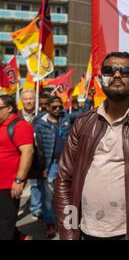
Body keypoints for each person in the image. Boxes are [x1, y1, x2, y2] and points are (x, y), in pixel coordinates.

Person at [55, 52, 129, 240]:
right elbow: (64, 180)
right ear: (100, 78)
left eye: (125, 71)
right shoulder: (83, 123)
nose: (117, 75)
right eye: (109, 70)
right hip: (85, 232)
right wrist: (69, 232)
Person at [34, 95, 71, 238]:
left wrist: (89, 100)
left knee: (68, 194)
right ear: (47, 107)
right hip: (51, 165)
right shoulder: (40, 124)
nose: (57, 109)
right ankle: (50, 223)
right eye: (54, 107)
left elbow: (82, 114)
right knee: (49, 197)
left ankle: (68, 223)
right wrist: (42, 167)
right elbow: (39, 149)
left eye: (60, 107)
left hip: (67, 164)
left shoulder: (66, 118)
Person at [0, 95, 34, 240]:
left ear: (9, 108)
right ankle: (20, 236)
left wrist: (19, 181)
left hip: (9, 185)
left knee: (5, 222)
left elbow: (28, 152)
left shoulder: (20, 125)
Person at [17, 89, 42, 221]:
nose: (28, 101)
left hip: (35, 156)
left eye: (31, 98)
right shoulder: (16, 116)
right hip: (17, 157)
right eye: (26, 99)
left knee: (34, 184)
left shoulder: (40, 115)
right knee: (17, 184)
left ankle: (36, 209)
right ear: (21, 101)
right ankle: (13, 208)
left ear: (35, 100)